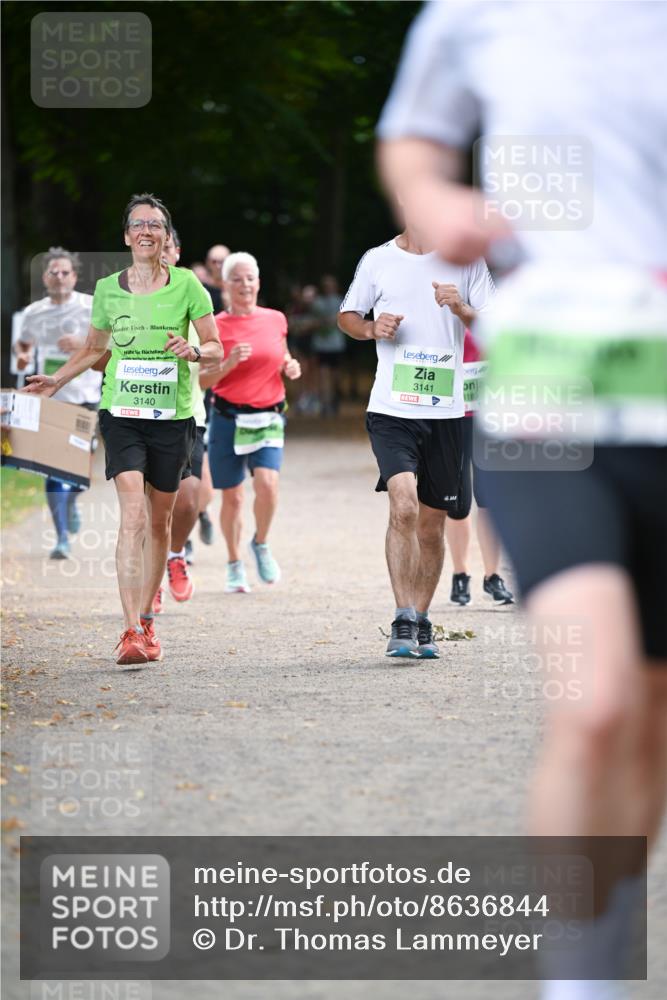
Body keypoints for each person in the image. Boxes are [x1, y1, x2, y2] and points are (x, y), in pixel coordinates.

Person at [377, 2, 667, 995]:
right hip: (547, 403)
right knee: (594, 705)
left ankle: (601, 940)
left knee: (649, 719)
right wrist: (437, 199)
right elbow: (411, 138)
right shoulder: (476, 13)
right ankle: (577, 980)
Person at [24, 193, 222, 666]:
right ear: (126, 236)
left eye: (155, 224)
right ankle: (131, 629)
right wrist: (57, 379)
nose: (146, 231)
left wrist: (193, 353)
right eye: (138, 224)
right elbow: (94, 350)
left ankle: (150, 623)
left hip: (174, 418)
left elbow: (215, 346)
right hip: (122, 415)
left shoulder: (189, 286)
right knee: (132, 517)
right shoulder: (110, 290)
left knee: (159, 522)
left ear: (165, 236)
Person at [338, 221, 494, 659]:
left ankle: (421, 620)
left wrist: (462, 308)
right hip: (391, 409)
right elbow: (347, 316)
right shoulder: (377, 259)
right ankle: (402, 616)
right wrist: (371, 329)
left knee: (432, 523)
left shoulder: (466, 260)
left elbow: (495, 325)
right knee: (402, 505)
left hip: (446, 412)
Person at [200, 252, 301, 593]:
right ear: (225, 285)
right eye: (237, 279)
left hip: (269, 414)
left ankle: (260, 542)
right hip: (228, 416)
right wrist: (227, 364)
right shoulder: (215, 325)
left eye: (250, 278)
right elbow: (200, 380)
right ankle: (233, 562)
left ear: (258, 282)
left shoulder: (275, 319)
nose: (245, 285)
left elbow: (281, 353)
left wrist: (289, 365)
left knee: (268, 485)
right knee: (233, 498)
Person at [13, 247, 102, 559]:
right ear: (45, 277)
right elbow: (22, 345)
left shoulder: (91, 307)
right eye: (54, 272)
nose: (60, 277)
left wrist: (82, 344)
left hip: (86, 399)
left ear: (75, 277)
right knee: (54, 469)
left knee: (80, 473)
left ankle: (73, 500)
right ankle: (62, 537)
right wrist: (22, 356)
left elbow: (108, 344)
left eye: (65, 272)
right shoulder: (34, 312)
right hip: (51, 399)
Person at [445, 329, 514, 606]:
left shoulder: (489, 306)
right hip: (450, 413)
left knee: (488, 499)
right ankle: (460, 574)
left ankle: (493, 576)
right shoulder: (436, 310)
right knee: (458, 501)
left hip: (488, 415)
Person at [311, 274, 346, 416]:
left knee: (335, 375)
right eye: (326, 285)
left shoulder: (342, 300)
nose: (328, 288)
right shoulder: (317, 302)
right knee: (323, 374)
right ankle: (325, 403)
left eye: (330, 285)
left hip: (336, 345)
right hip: (321, 345)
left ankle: (334, 398)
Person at [202, 244, 230, 313]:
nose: (218, 266)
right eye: (214, 262)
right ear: (207, 263)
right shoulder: (201, 289)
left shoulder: (237, 288)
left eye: (222, 261)